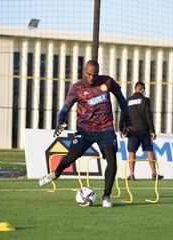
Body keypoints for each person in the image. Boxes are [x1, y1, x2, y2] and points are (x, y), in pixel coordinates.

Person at [39, 60, 133, 208]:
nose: (91, 78)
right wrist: (60, 122)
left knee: (111, 159)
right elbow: (65, 109)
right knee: (71, 156)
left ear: (98, 73)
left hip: (105, 129)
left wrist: (127, 120)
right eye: (89, 74)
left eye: (94, 75)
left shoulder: (107, 81)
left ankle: (106, 196)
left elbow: (121, 99)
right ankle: (55, 173)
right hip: (85, 130)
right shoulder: (77, 88)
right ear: (84, 71)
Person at [119, 81, 164, 181]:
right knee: (149, 151)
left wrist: (121, 128)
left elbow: (123, 115)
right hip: (144, 130)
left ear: (135, 89)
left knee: (131, 152)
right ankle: (154, 173)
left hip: (132, 131)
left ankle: (131, 175)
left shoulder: (127, 101)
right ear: (142, 89)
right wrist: (152, 130)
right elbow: (148, 116)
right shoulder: (145, 100)